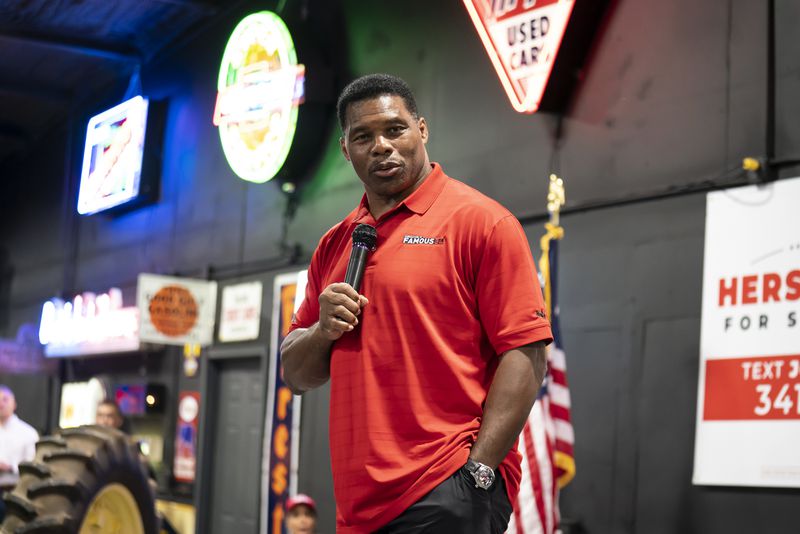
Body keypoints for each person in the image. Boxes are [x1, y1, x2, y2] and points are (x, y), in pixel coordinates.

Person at [280, 74, 553, 533]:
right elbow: (295, 373)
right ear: (347, 151)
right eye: (363, 137)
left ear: (421, 130)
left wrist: (478, 472)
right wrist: (322, 331)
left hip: (446, 488)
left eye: (395, 129)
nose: (381, 146)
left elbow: (526, 353)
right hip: (358, 508)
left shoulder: (482, 223)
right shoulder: (335, 244)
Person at [0, 385, 39, 521]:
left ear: (14, 404)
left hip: (16, 493)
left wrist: (9, 467)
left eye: (5, 399)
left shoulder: (28, 433)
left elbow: (34, 466)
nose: (1, 403)